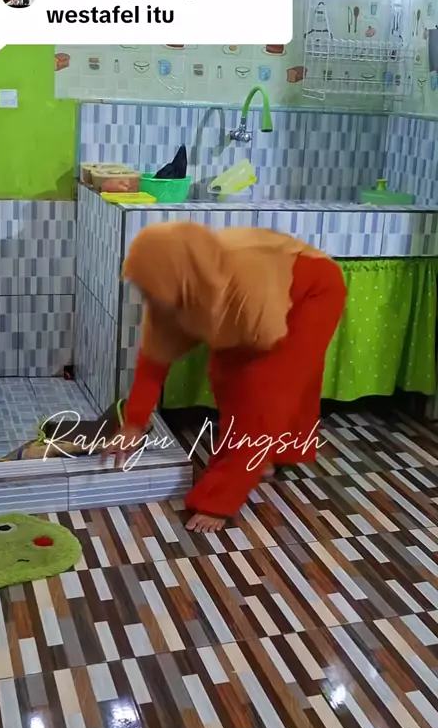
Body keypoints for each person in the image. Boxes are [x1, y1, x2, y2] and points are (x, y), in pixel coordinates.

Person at [110, 221, 347, 533]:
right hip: (249, 299)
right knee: (227, 379)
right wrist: (134, 423)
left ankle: (224, 494)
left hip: (311, 291)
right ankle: (263, 454)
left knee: (269, 388)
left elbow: (266, 392)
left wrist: (219, 498)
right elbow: (153, 362)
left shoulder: (247, 281)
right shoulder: (168, 294)